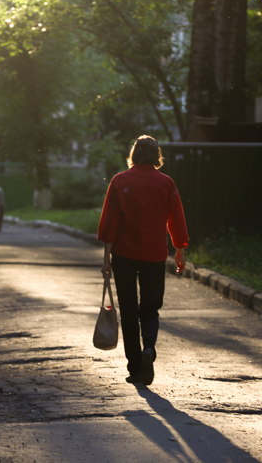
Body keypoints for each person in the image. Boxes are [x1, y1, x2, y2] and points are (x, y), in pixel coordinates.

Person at [97, 135, 189, 385]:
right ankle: (149, 348)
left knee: (128, 311)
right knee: (149, 309)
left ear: (134, 153)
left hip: (124, 255)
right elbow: (176, 219)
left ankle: (135, 367)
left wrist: (106, 260)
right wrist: (179, 250)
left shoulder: (120, 181)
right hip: (154, 255)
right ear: (156, 155)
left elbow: (109, 223)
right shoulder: (166, 183)